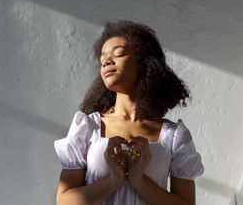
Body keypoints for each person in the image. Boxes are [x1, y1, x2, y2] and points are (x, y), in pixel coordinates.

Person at [54, 20, 204, 205]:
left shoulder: (174, 137)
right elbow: (64, 201)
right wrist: (112, 180)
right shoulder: (88, 127)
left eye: (118, 54)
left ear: (143, 63)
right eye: (103, 59)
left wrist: (139, 180)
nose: (107, 61)